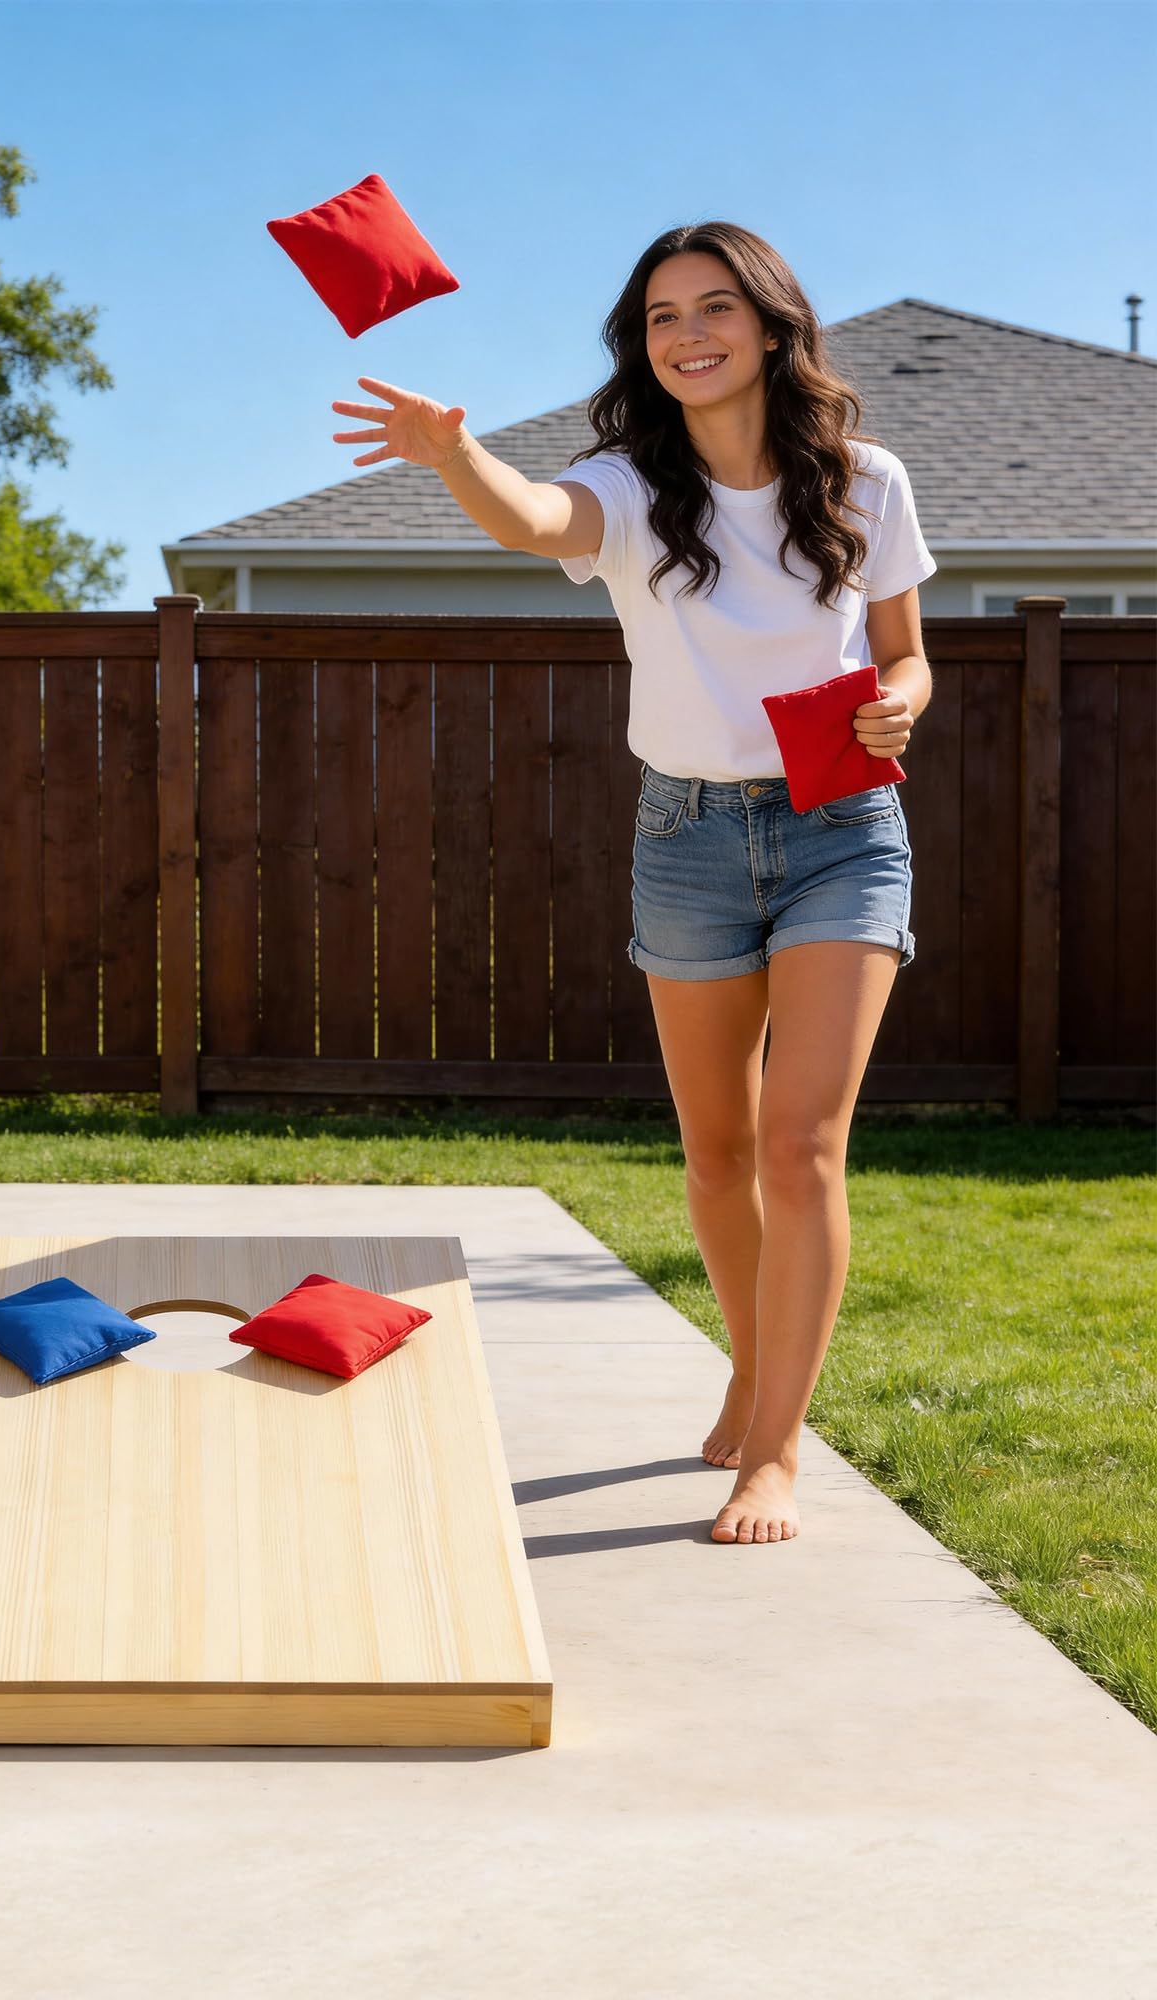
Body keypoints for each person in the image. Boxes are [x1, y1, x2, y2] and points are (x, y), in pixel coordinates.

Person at [331, 222, 934, 1546]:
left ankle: (772, 1450)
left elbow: (904, 653)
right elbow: (531, 520)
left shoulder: (867, 482)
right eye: (662, 316)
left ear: (772, 328)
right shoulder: (625, 487)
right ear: (641, 344)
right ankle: (754, 1363)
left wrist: (897, 706)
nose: (687, 333)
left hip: (843, 822)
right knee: (718, 1155)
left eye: (715, 308)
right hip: (688, 837)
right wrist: (454, 456)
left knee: (802, 1145)